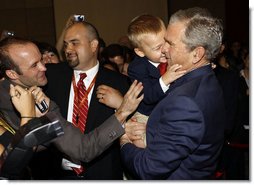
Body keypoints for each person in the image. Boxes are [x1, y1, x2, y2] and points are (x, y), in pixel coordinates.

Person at [0, 36, 144, 179]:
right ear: (12, 74)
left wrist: (121, 119)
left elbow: (82, 148)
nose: (44, 67)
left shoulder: (40, 97)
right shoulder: (8, 102)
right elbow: (11, 165)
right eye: (34, 65)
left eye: (41, 60)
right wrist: (123, 112)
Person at [120, 7, 226, 179]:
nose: (164, 50)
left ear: (196, 54)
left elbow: (149, 168)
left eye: (170, 43)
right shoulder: (206, 77)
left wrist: (124, 140)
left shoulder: (186, 103)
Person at [43, 21, 131, 179]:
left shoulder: (119, 83)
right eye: (65, 44)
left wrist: (120, 105)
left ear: (93, 45)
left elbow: (133, 126)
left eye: (74, 43)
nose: (68, 49)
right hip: (56, 174)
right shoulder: (50, 76)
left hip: (103, 174)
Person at [127, 14, 186, 117]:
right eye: (157, 48)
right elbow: (148, 96)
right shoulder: (136, 68)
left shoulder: (172, 53)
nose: (165, 49)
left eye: (166, 42)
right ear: (140, 52)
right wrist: (165, 80)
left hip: (175, 109)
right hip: (149, 116)